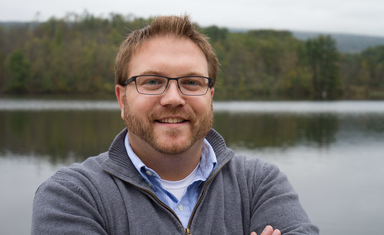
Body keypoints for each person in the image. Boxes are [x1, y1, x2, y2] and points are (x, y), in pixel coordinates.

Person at [31, 15, 319, 235]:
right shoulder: (72, 194)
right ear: (122, 99)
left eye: (191, 83)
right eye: (152, 81)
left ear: (211, 97)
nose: (173, 98)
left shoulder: (258, 184)